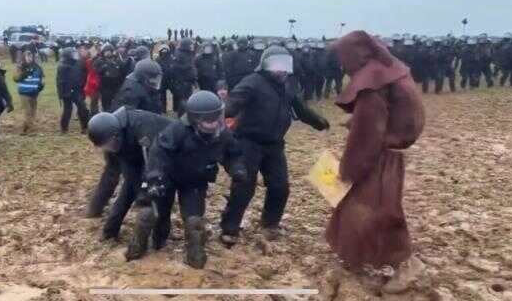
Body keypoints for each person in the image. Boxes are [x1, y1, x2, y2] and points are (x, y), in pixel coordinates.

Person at [327, 31, 425, 292]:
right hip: (390, 152)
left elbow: (366, 136)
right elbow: (394, 113)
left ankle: (404, 264)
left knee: (376, 210)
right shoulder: (388, 70)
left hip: (380, 157)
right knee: (370, 207)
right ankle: (356, 258)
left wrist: (348, 170)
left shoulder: (372, 86)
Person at [219, 45, 330, 245]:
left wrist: (319, 122)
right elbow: (233, 103)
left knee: (280, 186)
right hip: (248, 142)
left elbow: (301, 109)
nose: (281, 70)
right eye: (276, 66)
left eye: (285, 66)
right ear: (265, 65)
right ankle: (230, 228)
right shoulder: (252, 83)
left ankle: (270, 224)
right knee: (244, 186)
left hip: (274, 145)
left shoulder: (288, 86)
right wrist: (216, 118)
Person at [127, 91, 246, 269]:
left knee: (194, 221)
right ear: (195, 119)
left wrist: (237, 169)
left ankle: (195, 257)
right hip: (168, 177)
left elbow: (233, 154)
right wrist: (155, 177)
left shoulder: (223, 134)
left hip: (195, 181)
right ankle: (143, 248)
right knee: (154, 214)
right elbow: (159, 154)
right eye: (208, 121)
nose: (213, 124)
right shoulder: (177, 130)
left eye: (216, 118)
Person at [86, 108, 173, 239]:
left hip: (166, 154)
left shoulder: (142, 126)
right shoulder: (110, 137)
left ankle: (159, 239)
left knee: (158, 197)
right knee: (128, 189)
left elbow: (153, 164)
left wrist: (144, 193)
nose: (109, 149)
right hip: (136, 155)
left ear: (116, 135)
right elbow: (110, 173)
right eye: (105, 147)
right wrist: (95, 207)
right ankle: (109, 232)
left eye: (109, 145)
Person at [56, 47, 89, 134]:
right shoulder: (62, 66)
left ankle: (84, 127)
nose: (75, 55)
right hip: (67, 92)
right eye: (73, 53)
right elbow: (59, 82)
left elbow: (83, 76)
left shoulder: (78, 64)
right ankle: (64, 128)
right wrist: (61, 94)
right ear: (68, 55)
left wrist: (82, 88)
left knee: (83, 108)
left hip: (77, 90)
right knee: (67, 110)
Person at [13, 50, 45, 135]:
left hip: (34, 93)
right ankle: (31, 130)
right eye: (27, 56)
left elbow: (42, 79)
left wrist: (40, 87)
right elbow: (15, 78)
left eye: (30, 56)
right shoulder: (20, 66)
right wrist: (25, 74)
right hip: (24, 93)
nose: (29, 58)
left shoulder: (37, 67)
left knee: (33, 111)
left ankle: (25, 129)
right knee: (27, 112)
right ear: (24, 57)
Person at [94, 43, 127, 111]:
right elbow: (98, 71)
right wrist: (106, 66)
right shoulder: (99, 61)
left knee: (117, 104)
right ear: (103, 52)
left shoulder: (117, 60)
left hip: (116, 86)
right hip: (105, 87)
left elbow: (123, 72)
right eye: (106, 51)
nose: (108, 53)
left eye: (110, 51)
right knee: (106, 105)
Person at [169, 38, 197, 117]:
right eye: (190, 45)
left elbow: (192, 66)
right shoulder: (179, 54)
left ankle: (184, 113)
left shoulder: (189, 53)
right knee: (182, 100)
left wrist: (194, 79)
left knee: (187, 99)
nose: (192, 46)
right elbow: (175, 68)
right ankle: (181, 115)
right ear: (186, 45)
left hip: (188, 81)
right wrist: (187, 67)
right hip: (182, 82)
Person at [81, 46, 100, 117]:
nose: (93, 53)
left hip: (95, 82)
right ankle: (93, 114)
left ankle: (94, 113)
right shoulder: (88, 61)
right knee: (93, 100)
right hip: (92, 82)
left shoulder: (96, 60)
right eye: (92, 52)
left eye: (94, 51)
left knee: (95, 100)